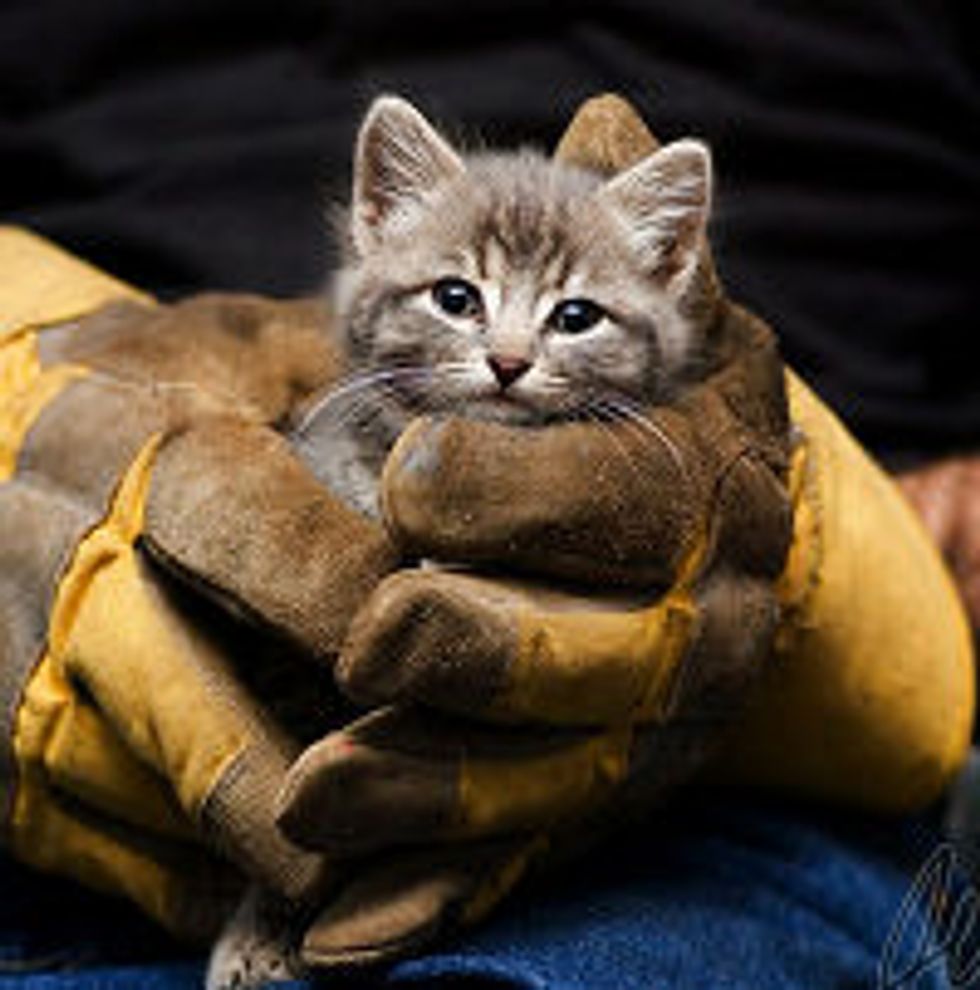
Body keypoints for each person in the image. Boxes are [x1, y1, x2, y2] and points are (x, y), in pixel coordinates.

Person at [1, 2, 976, 987]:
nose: (509, 356)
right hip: (115, 487)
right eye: (463, 302)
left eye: (569, 318)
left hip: (728, 791)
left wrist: (819, 548)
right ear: (376, 216)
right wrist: (17, 377)